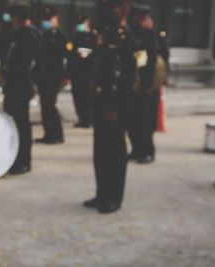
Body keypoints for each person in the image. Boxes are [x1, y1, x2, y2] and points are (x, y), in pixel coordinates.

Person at [84, 0, 136, 214]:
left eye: (114, 6)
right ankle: (102, 193)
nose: (110, 10)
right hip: (101, 101)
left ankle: (114, 197)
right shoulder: (107, 33)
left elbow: (123, 76)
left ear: (123, 10)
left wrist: (114, 106)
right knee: (101, 151)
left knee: (114, 153)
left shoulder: (126, 37)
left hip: (116, 105)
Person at [2, 4, 40, 174]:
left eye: (13, 17)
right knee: (13, 123)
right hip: (13, 86)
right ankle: (15, 158)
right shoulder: (19, 35)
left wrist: (7, 73)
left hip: (20, 87)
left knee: (21, 125)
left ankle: (24, 161)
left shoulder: (28, 35)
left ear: (18, 18)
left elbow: (23, 65)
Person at [127, 4, 158, 164]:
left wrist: (144, 82)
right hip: (129, 82)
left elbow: (148, 60)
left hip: (143, 83)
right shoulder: (128, 31)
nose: (143, 20)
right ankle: (136, 148)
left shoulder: (147, 34)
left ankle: (147, 151)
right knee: (131, 119)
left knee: (143, 119)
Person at [35, 5, 68, 144]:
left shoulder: (59, 37)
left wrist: (65, 77)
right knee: (45, 105)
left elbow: (65, 59)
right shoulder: (41, 35)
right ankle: (49, 133)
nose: (47, 21)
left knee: (49, 105)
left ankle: (56, 134)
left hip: (54, 77)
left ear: (56, 20)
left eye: (50, 18)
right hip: (43, 77)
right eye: (46, 18)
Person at [68, 15, 98, 128]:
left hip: (88, 72)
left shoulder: (92, 36)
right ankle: (82, 118)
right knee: (78, 96)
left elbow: (95, 52)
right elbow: (72, 54)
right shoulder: (76, 36)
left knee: (87, 96)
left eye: (82, 22)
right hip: (77, 72)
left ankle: (87, 119)